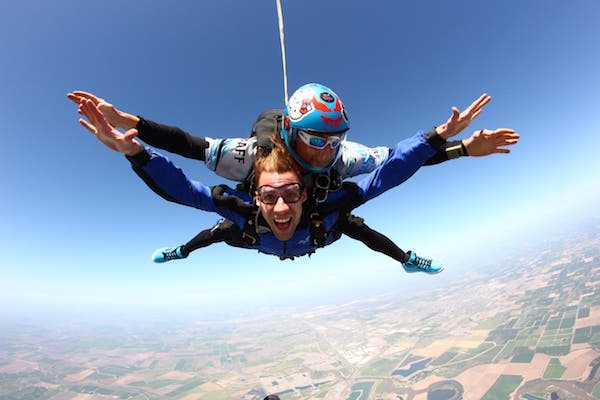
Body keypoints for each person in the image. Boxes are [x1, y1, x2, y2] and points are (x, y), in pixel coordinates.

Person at [68, 85, 518, 271]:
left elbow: (396, 165)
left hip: (315, 223)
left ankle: (406, 259)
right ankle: (180, 252)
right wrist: (134, 134)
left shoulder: (344, 160)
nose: (324, 149)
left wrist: (452, 144)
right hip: (265, 223)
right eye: (313, 139)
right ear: (288, 131)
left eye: (333, 138)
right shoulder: (246, 162)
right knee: (219, 229)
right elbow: (189, 150)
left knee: (355, 224)